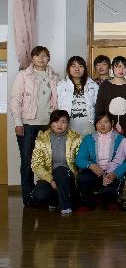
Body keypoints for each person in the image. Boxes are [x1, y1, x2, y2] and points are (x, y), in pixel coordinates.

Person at [10, 46, 59, 207]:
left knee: (47, 161)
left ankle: (44, 196)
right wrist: (18, 122)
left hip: (48, 125)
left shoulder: (55, 76)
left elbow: (57, 101)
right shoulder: (23, 76)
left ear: (48, 58)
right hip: (28, 124)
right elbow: (15, 100)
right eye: (37, 56)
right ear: (32, 58)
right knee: (27, 161)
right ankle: (28, 198)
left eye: (44, 56)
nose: (41, 58)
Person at [31, 110, 81, 216]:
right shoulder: (41, 139)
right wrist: (50, 179)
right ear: (50, 123)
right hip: (49, 175)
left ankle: (66, 207)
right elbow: (36, 165)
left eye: (63, 122)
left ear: (68, 124)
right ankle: (55, 199)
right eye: (56, 121)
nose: (59, 125)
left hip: (68, 176)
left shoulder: (76, 138)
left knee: (60, 171)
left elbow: (80, 160)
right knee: (39, 194)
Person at [75, 112, 126, 211]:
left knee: (107, 192)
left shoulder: (121, 139)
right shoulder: (88, 139)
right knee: (83, 178)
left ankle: (110, 201)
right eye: (99, 122)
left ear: (112, 123)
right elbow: (79, 159)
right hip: (95, 172)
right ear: (95, 124)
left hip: (112, 173)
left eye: (106, 122)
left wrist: (115, 174)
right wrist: (91, 165)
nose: (102, 125)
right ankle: (87, 203)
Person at [95, 56, 126, 136]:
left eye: (124, 67)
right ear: (112, 68)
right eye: (118, 67)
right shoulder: (105, 85)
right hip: (107, 127)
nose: (121, 70)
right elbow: (99, 107)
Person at [57, 56, 99, 136]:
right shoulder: (61, 85)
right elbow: (57, 105)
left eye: (80, 66)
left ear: (84, 69)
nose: (77, 69)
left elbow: (97, 106)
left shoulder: (93, 85)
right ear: (68, 68)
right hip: (68, 125)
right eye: (73, 66)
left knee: (88, 147)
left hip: (88, 125)